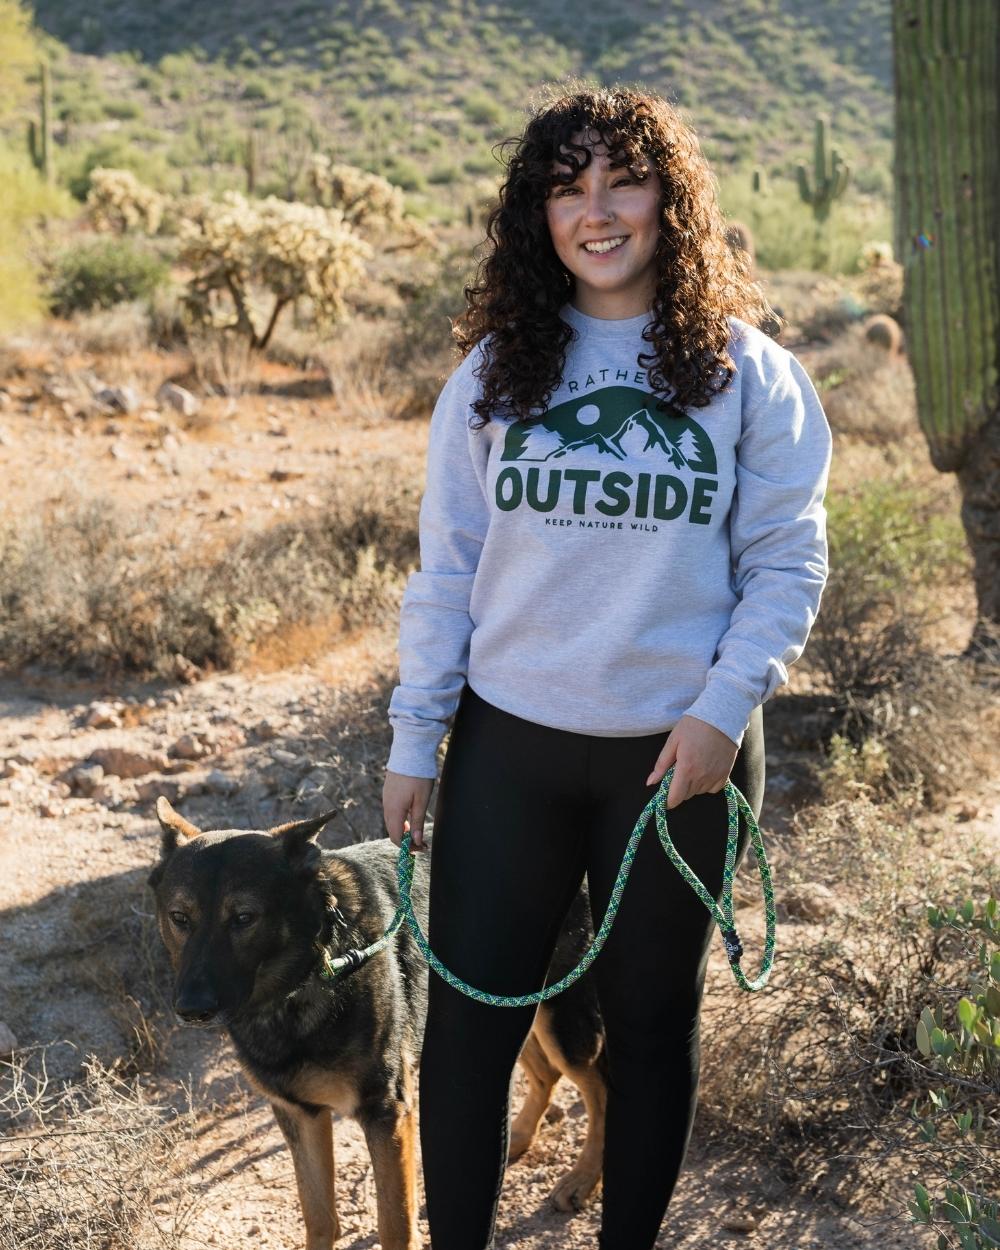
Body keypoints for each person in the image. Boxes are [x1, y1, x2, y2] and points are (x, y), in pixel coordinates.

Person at [382, 84, 832, 1250]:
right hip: (510, 743)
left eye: (621, 181)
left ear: (668, 203)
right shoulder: (491, 374)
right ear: (537, 214)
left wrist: (721, 714)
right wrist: (412, 738)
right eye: (566, 186)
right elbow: (447, 572)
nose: (595, 210)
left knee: (645, 1021)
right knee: (468, 1029)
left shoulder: (749, 374)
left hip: (678, 750)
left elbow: (786, 562)